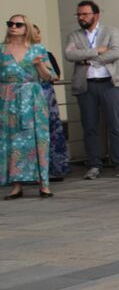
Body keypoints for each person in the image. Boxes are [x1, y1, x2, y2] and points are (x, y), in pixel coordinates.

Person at [64, 0, 119, 179]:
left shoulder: (111, 31)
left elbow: (116, 52)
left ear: (96, 15)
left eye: (85, 14)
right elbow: (70, 54)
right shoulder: (74, 35)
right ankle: (94, 165)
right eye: (79, 14)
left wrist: (91, 60)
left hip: (110, 84)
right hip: (86, 85)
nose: (81, 17)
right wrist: (97, 51)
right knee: (89, 126)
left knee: (115, 125)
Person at [2, 14, 56, 198]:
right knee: (12, 141)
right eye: (11, 24)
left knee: (38, 139)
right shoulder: (2, 51)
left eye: (19, 24)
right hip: (8, 100)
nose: (14, 27)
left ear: (27, 28)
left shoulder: (37, 49)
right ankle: (16, 186)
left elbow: (50, 76)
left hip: (33, 100)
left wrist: (40, 65)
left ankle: (44, 184)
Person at [30, 25, 68, 182]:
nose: (37, 36)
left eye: (38, 33)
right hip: (27, 98)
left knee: (51, 132)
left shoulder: (44, 53)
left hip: (46, 97)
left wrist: (40, 66)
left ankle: (54, 169)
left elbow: (55, 75)